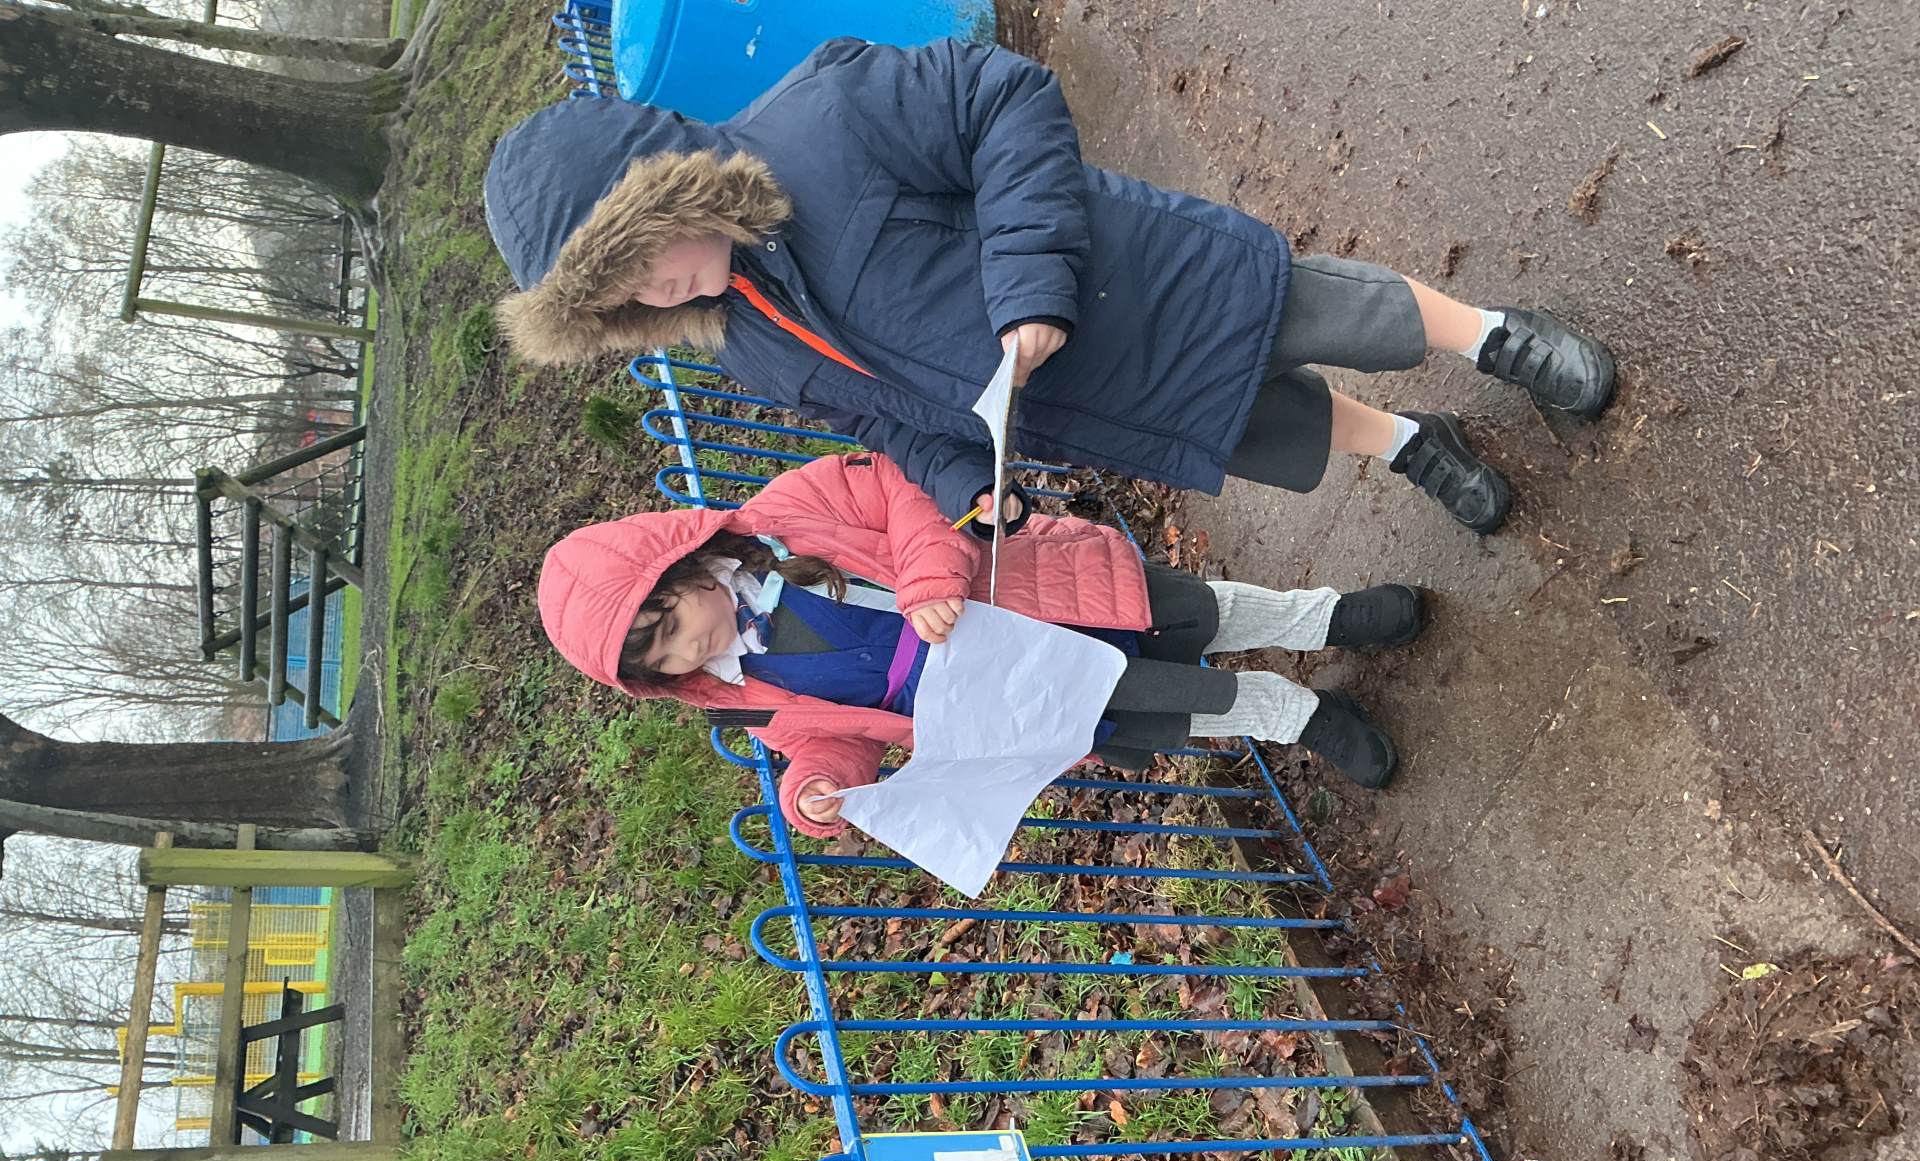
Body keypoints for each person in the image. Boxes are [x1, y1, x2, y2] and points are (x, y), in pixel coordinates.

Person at [486, 38, 1615, 541]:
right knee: (1275, 427)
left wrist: (1029, 284)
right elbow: (876, 422)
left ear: (665, 187)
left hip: (1141, 282)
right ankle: (1415, 445)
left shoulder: (823, 119)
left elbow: (1005, 99)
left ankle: (1495, 338)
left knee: (1339, 312)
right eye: (624, 296)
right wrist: (964, 493)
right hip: (1105, 406)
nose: (656, 289)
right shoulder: (744, 340)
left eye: (640, 254)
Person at [538, 450, 1428, 839]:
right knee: (1187, 705)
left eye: (671, 628)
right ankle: (1300, 715)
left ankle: (1327, 619)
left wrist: (929, 577)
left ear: (683, 564)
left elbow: (902, 488)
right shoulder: (750, 694)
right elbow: (830, 739)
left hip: (1035, 599)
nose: (687, 655)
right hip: (1024, 695)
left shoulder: (788, 515)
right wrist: (819, 788)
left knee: (1203, 614)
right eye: (663, 666)